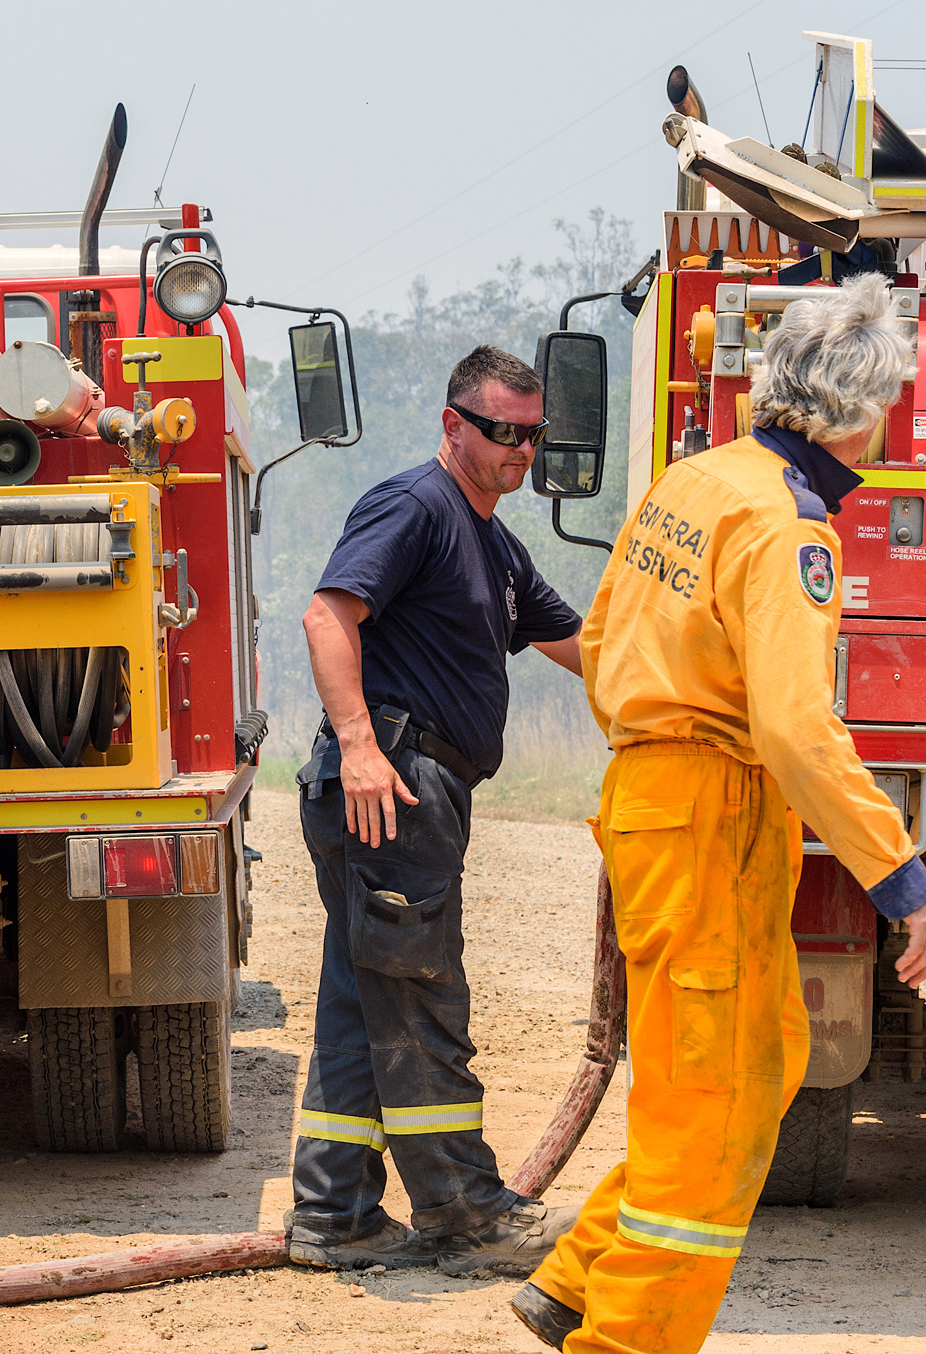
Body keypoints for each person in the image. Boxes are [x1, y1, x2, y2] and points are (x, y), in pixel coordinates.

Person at [512, 277, 926, 1354]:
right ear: (857, 411)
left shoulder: (693, 480)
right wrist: (904, 884)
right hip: (708, 811)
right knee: (707, 1091)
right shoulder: (784, 529)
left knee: (760, 1060)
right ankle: (623, 1339)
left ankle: (575, 1277)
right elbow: (799, 732)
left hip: (667, 802)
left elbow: (608, 639)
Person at [290, 346, 586, 1276]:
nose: (520, 449)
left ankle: (335, 1215)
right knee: (421, 998)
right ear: (455, 423)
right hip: (394, 785)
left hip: (416, 788)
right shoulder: (416, 505)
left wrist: (693, 679)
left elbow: (581, 643)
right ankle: (464, 1212)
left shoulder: (495, 545)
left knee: (359, 997)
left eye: (533, 434)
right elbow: (327, 616)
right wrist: (363, 750)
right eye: (502, 430)